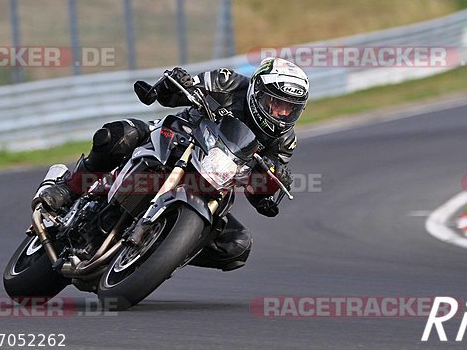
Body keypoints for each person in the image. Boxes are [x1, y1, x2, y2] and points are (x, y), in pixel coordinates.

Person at [33, 57, 309, 271]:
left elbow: (264, 180)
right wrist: (177, 84)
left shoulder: (285, 141)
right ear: (257, 90)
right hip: (179, 139)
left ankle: (159, 252)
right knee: (117, 136)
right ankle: (69, 189)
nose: (281, 113)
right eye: (275, 103)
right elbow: (174, 92)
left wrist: (272, 183)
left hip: (216, 181)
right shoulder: (229, 82)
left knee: (237, 246)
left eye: (289, 108)